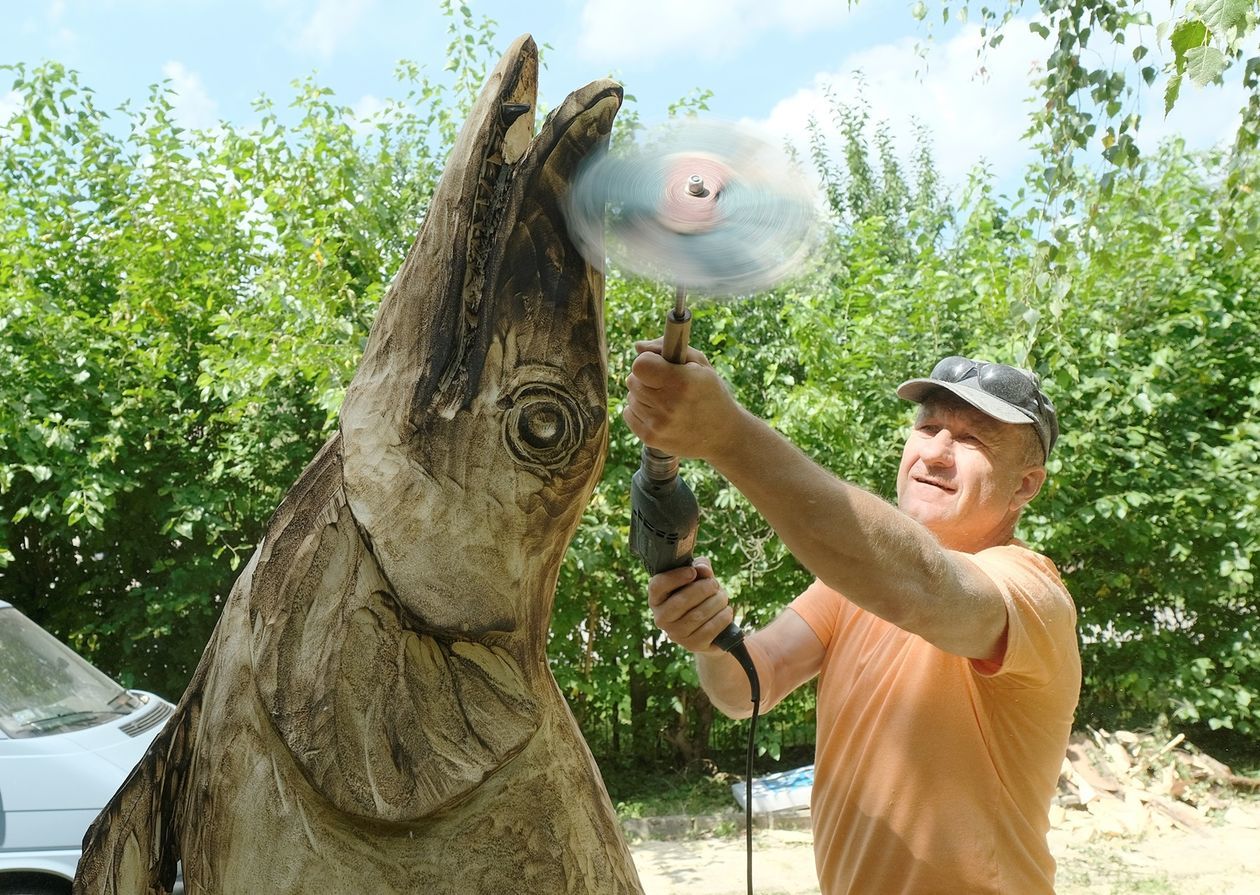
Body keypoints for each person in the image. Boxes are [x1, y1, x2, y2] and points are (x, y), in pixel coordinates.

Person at [624, 346, 1080, 895]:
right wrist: (710, 641)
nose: (935, 452)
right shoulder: (854, 588)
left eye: (971, 439)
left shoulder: (1030, 592)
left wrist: (725, 434)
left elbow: (924, 587)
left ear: (1025, 485)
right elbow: (749, 686)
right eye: (929, 426)